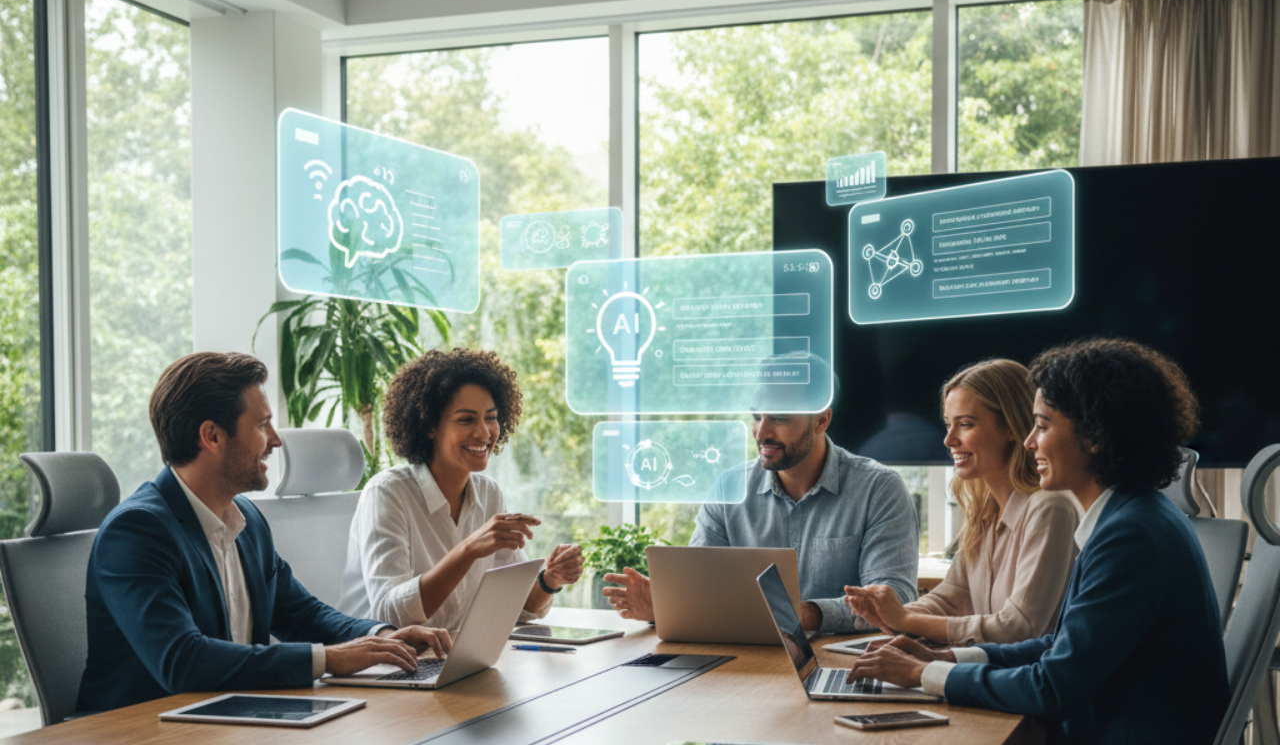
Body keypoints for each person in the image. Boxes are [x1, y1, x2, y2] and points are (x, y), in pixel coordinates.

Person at [849, 338, 1228, 745]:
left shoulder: (1129, 536)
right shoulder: (1128, 517)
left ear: (1095, 435)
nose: (1030, 442)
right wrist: (947, 658)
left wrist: (924, 675)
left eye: (1043, 426)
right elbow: (1056, 646)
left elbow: (1053, 687)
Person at [78, 353, 452, 714]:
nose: (275, 440)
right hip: (143, 731)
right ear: (211, 436)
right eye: (261, 425)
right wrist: (328, 659)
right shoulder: (137, 531)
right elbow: (181, 660)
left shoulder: (246, 521)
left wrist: (382, 635)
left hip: (229, 718)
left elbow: (301, 614)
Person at [604, 358, 919, 634]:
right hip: (743, 662)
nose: (761, 432)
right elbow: (702, 588)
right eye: (757, 416)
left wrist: (803, 614)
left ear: (821, 420)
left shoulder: (879, 489)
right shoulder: (729, 487)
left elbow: (896, 600)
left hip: (839, 667)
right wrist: (668, 608)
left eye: (779, 418)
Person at [338, 348, 584, 631]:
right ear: (430, 426)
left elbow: (515, 605)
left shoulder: (489, 493)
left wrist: (550, 579)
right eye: (466, 419)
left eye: (491, 417)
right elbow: (389, 616)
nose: (484, 432)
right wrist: (468, 550)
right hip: (378, 665)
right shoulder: (387, 494)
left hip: (447, 659)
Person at [845, 359, 1080, 645]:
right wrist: (889, 615)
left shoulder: (1050, 508)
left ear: (1012, 427)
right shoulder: (985, 510)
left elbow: (1018, 628)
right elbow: (952, 598)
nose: (948, 440)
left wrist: (905, 620)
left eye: (965, 424)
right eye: (948, 425)